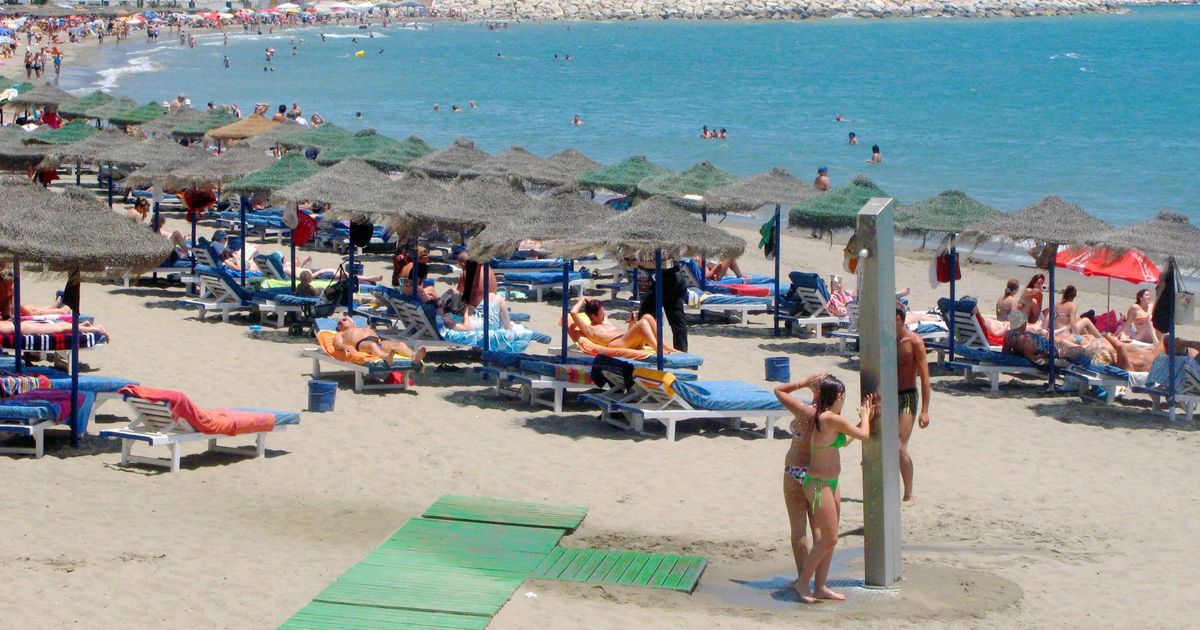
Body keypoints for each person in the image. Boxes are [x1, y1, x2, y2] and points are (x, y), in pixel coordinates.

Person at [797, 377, 877, 604]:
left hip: (831, 483)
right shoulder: (828, 417)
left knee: (829, 539)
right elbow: (864, 435)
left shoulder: (829, 419)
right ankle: (802, 582)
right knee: (830, 538)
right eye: (843, 397)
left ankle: (820, 586)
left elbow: (847, 439)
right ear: (838, 396)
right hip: (817, 484)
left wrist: (864, 420)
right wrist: (864, 417)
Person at [774, 372, 831, 601]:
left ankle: (802, 581)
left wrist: (803, 383)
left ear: (817, 391)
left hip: (795, 472)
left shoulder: (805, 411)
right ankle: (817, 582)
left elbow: (779, 391)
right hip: (816, 475)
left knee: (799, 530)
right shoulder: (829, 416)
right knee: (818, 530)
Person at [896, 304, 931, 505]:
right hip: (887, 396)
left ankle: (908, 494)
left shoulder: (914, 342)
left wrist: (925, 410)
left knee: (899, 446)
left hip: (907, 396)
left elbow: (925, 378)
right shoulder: (884, 340)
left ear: (898, 319)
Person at [569, 297, 673, 352]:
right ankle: (659, 350)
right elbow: (573, 312)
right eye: (601, 314)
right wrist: (582, 299)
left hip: (627, 340)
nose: (604, 315)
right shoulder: (588, 329)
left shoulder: (604, 321)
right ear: (593, 316)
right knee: (643, 323)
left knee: (648, 317)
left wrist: (632, 324)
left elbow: (628, 334)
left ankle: (666, 347)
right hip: (616, 343)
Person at [630, 255, 688, 352]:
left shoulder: (657, 253)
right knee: (677, 320)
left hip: (668, 281)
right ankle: (681, 351)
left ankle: (647, 346)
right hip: (673, 281)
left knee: (646, 314)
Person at [333, 316, 426, 367]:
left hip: (378, 342)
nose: (342, 322)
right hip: (361, 343)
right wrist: (344, 346)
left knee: (399, 344)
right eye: (339, 323)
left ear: (353, 322)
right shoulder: (341, 333)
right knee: (372, 346)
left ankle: (414, 356)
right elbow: (337, 343)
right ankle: (386, 357)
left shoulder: (361, 327)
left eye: (344, 319)